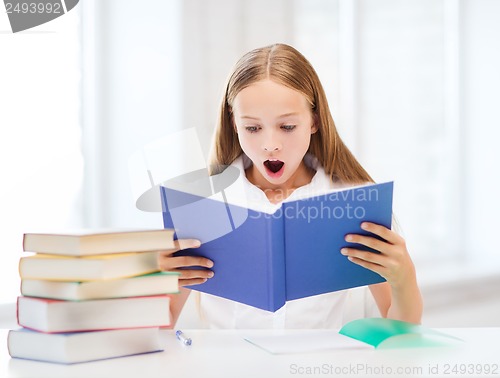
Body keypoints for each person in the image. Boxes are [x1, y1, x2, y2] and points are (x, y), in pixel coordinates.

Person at [159, 43, 423, 328]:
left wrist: (404, 276)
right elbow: (164, 322)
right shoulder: (203, 205)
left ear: (314, 121)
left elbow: (400, 330)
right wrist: (152, 282)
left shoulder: (350, 200)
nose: (270, 145)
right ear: (234, 124)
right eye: (252, 128)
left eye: (287, 127)